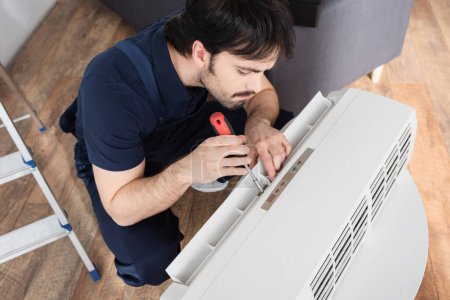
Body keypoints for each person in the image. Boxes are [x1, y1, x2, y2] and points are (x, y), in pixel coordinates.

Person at [60, 0, 295, 286]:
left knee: (278, 133)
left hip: (182, 124)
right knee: (152, 261)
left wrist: (258, 124)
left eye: (261, 71)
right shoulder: (112, 87)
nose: (256, 83)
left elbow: (262, 94)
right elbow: (120, 206)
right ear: (200, 54)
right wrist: (186, 171)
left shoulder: (219, 35)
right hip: (119, 168)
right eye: (246, 72)